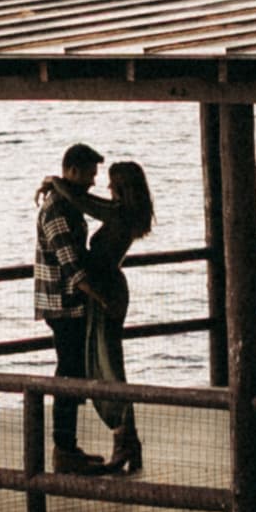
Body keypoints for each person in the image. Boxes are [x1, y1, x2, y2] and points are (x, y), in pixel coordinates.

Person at [32, 143, 112, 475]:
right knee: (68, 373)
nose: (93, 181)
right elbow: (71, 266)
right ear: (74, 171)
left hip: (65, 303)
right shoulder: (58, 210)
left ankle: (67, 447)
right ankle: (63, 448)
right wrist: (102, 298)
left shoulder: (68, 202)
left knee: (72, 369)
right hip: (64, 305)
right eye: (90, 174)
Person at [83, 155, 154, 474]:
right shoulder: (125, 213)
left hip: (107, 292)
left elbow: (85, 203)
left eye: (112, 182)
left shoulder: (119, 213)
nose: (108, 187)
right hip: (109, 288)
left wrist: (56, 184)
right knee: (108, 364)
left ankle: (123, 441)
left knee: (109, 366)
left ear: (122, 187)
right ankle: (128, 442)